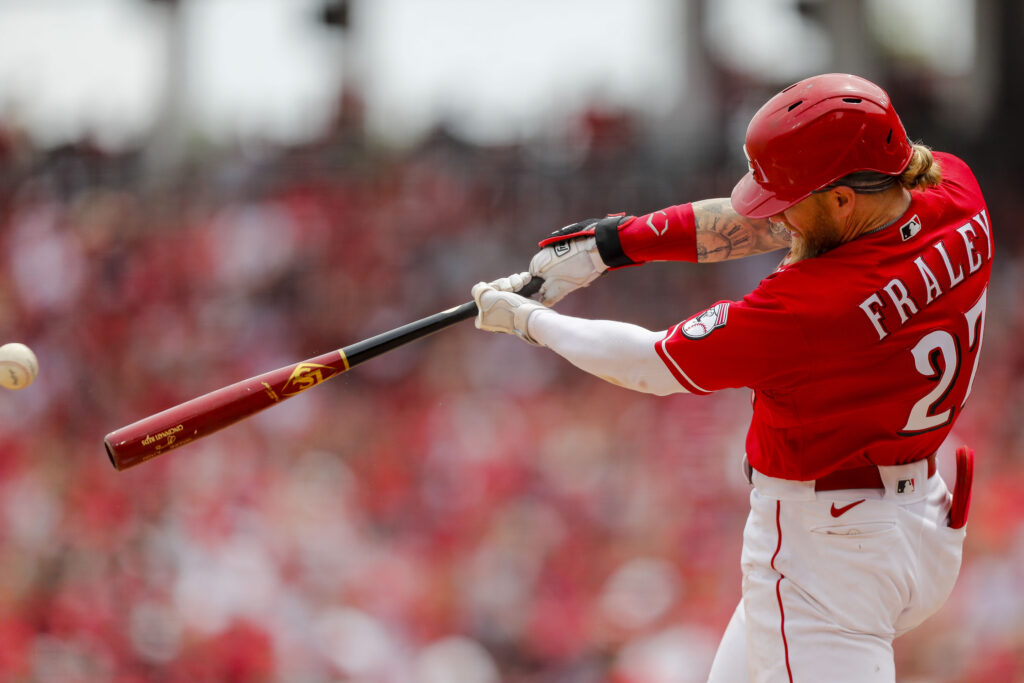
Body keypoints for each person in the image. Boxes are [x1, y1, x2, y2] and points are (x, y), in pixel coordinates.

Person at [470, 73, 991, 682]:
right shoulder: (957, 189)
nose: (777, 216)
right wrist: (611, 245)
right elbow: (781, 223)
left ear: (844, 200)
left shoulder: (810, 307)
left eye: (789, 199)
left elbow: (650, 364)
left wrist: (531, 322)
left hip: (828, 558)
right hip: (918, 518)